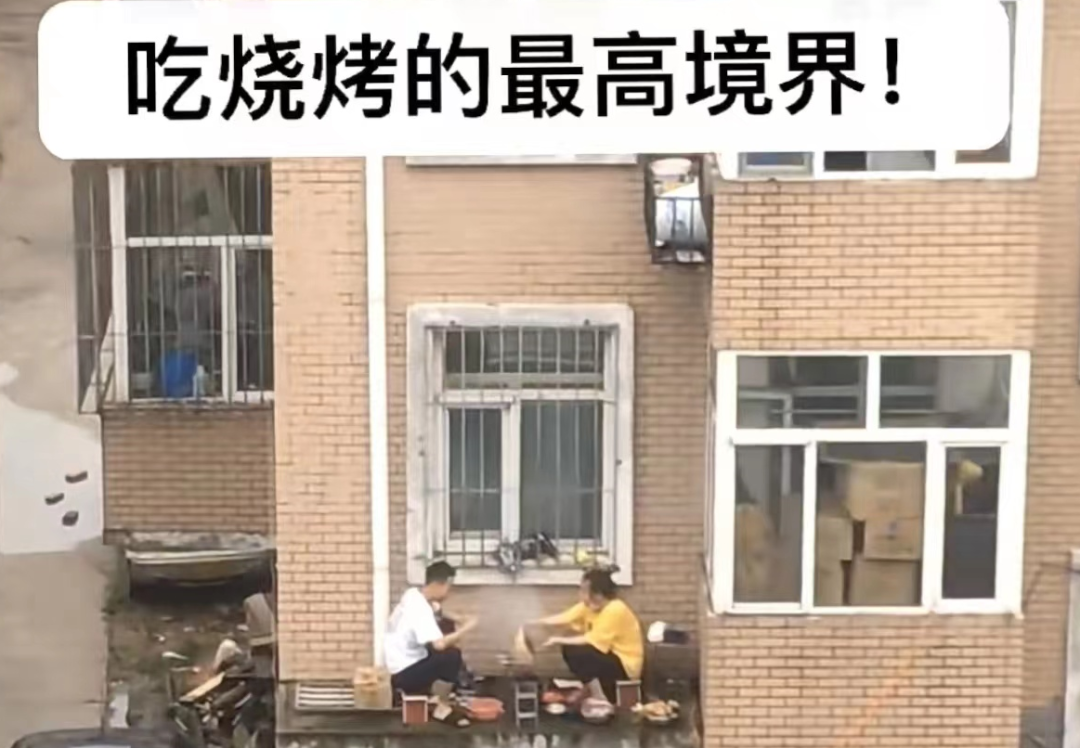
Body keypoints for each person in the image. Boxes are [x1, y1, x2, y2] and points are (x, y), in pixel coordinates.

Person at [530, 567, 643, 705]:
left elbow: (592, 640)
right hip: (610, 658)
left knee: (577, 651)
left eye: (584, 591)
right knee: (571, 648)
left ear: (598, 594)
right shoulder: (589, 606)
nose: (581, 596)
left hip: (625, 668)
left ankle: (599, 696)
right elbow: (565, 617)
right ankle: (592, 690)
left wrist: (556, 639)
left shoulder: (615, 609)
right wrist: (534, 623)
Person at [383, 561, 477, 726]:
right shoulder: (420, 610)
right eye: (449, 586)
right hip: (404, 675)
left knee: (445, 625)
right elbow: (439, 645)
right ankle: (440, 706)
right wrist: (466, 629)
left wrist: (460, 618)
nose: (449, 592)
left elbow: (437, 610)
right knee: (451, 655)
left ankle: (433, 693)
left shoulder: (413, 595)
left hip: (401, 664)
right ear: (438, 584)